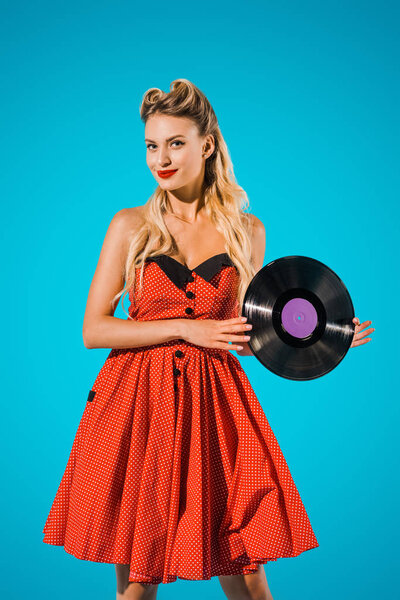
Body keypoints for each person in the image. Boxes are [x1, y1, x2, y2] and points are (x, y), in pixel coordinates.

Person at [42, 78, 374, 600]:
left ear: (207, 144)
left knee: (247, 573)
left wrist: (325, 338)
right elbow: (94, 329)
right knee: (138, 583)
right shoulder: (130, 226)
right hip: (137, 407)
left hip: (216, 407)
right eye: (152, 145)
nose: (161, 158)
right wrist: (184, 328)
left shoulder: (247, 231)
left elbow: (255, 328)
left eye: (176, 143)